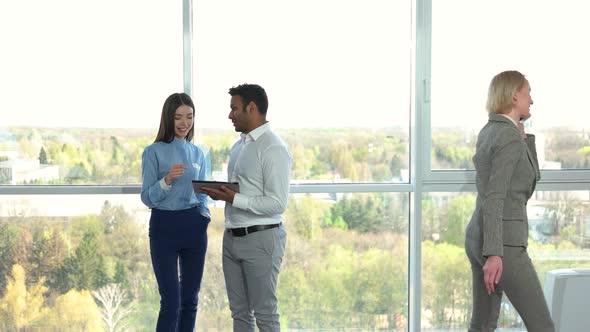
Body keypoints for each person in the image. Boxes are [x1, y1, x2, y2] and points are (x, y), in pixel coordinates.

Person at [464, 71, 555, 332]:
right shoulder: (507, 137)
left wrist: (526, 141)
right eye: (528, 93)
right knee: (542, 326)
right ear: (515, 95)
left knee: (482, 324)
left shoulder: (491, 130)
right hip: (503, 245)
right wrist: (494, 253)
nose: (532, 100)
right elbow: (495, 196)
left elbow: (528, 178)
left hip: (478, 235)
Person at [199, 83, 292, 332]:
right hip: (232, 237)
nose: (230, 115)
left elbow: (278, 202)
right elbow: (244, 190)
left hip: (262, 238)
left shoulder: (274, 148)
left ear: (252, 108)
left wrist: (235, 199)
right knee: (239, 314)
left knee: (265, 314)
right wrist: (223, 194)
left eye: (234, 109)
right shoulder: (239, 146)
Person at [140, 92, 211, 332]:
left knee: (190, 300)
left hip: (194, 226)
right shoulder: (153, 152)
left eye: (189, 117)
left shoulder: (199, 153)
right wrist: (167, 180)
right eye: (178, 117)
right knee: (171, 300)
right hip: (164, 227)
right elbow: (147, 197)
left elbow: (202, 191)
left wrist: (204, 216)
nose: (184, 123)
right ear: (168, 118)